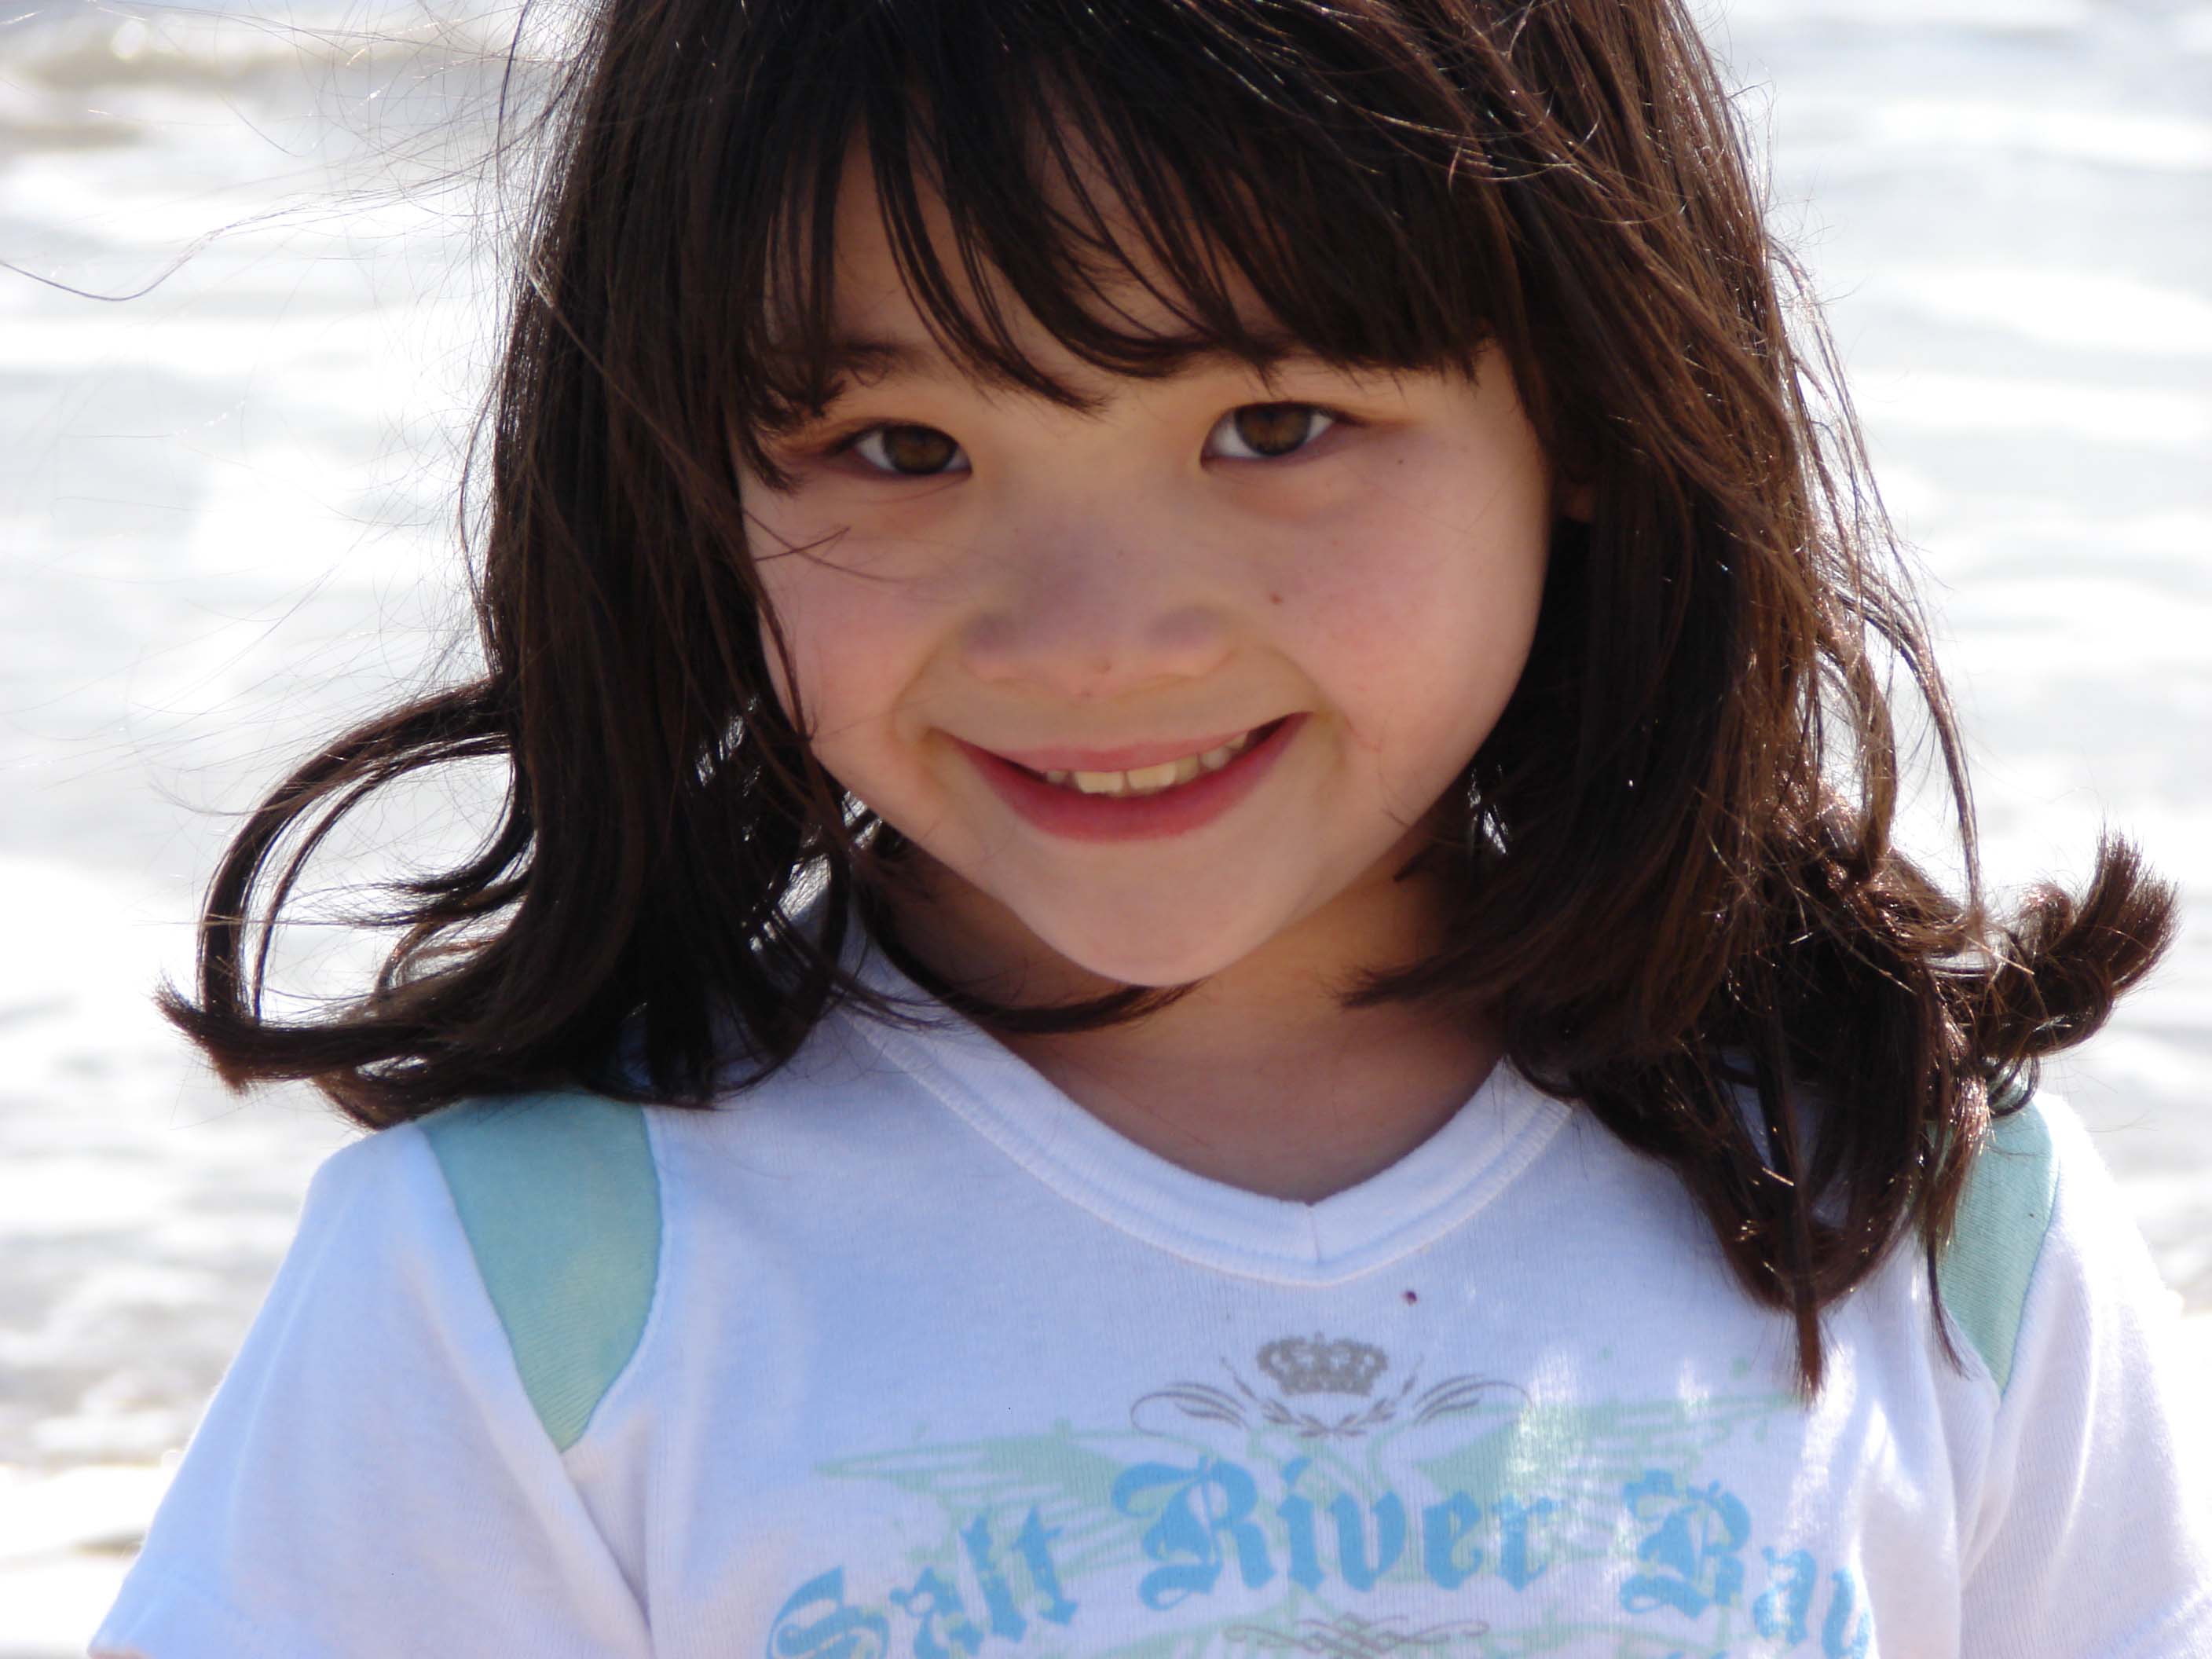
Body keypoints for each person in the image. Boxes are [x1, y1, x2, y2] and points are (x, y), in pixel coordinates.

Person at [90, 0, 2210, 1653]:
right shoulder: (532, 1283)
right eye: (903, 446)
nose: (1096, 643)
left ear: (1589, 406)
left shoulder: (1913, 1199)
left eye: (1274, 425)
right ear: (687, 476)